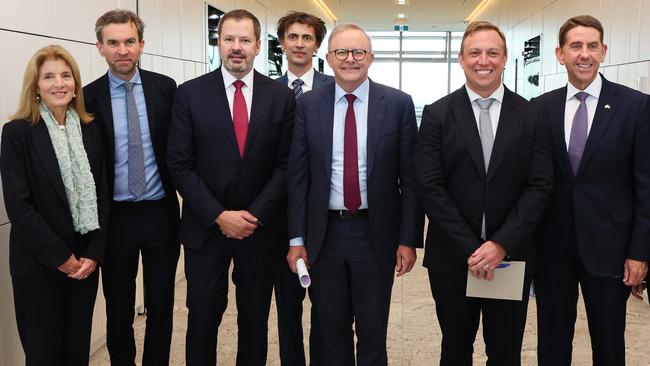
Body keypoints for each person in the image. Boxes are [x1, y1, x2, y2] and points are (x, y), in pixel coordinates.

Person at [414, 21, 552, 365]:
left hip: (510, 258)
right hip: (453, 259)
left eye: (492, 52)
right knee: (456, 349)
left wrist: (500, 245)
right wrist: (472, 249)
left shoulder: (531, 115)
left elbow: (539, 185)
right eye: (474, 52)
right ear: (461, 59)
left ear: (505, 58)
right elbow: (430, 187)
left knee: (505, 353)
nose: (483, 60)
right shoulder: (437, 114)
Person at [287, 23, 421, 366]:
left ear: (371, 58)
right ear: (328, 58)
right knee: (332, 333)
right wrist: (296, 238)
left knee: (373, 334)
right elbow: (298, 178)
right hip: (324, 236)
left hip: (375, 236)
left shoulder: (397, 104)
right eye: (342, 52)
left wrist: (408, 239)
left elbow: (411, 180)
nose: (350, 59)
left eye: (358, 52)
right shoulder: (307, 104)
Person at [167, 9, 295, 366]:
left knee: (254, 320)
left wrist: (253, 214)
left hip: (260, 229)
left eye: (244, 40)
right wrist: (219, 215)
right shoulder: (189, 94)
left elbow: (286, 166)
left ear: (257, 46)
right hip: (205, 229)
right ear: (218, 43)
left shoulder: (281, 98)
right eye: (229, 39)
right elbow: (180, 164)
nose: (236, 48)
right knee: (203, 316)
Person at [533, 15, 650, 366]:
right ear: (560, 53)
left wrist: (640, 251)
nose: (584, 54)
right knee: (552, 342)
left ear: (604, 52)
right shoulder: (540, 108)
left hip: (611, 248)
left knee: (609, 342)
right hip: (552, 246)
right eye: (575, 46)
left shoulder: (636, 106)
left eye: (592, 46)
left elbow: (646, 183)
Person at [0, 45, 108, 366]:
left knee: (76, 353)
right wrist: (60, 257)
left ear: (75, 83)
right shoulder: (17, 133)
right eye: (49, 77)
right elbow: (18, 206)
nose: (59, 83)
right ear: (36, 86)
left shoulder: (90, 130)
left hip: (84, 264)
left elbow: (102, 194)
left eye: (66, 75)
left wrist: (93, 252)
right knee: (43, 355)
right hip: (39, 264)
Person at [83, 9, 180, 365]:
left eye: (129, 42)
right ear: (100, 47)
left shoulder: (165, 88)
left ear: (141, 45)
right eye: (113, 43)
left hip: (160, 213)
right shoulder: (87, 98)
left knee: (161, 305)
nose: (122, 50)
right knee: (119, 307)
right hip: (116, 218)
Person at [274, 11, 332, 366]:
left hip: (326, 220)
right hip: (280, 220)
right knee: (287, 310)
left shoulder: (336, 88)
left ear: (317, 45)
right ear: (281, 43)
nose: (299, 44)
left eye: (307, 38)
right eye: (292, 37)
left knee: (327, 309)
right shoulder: (265, 92)